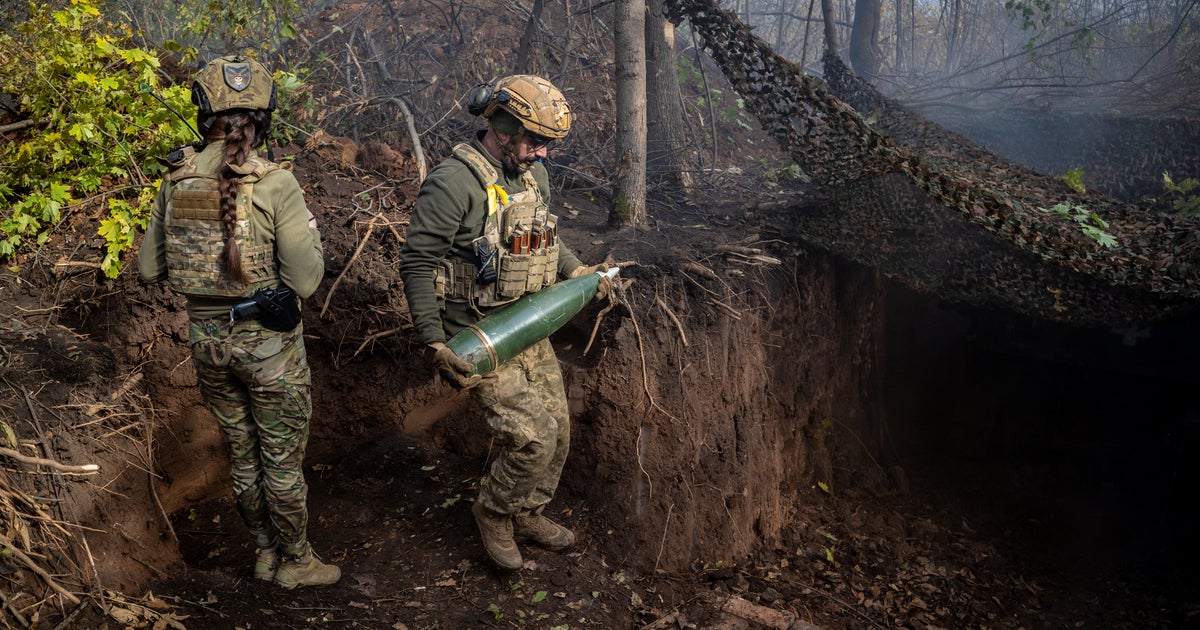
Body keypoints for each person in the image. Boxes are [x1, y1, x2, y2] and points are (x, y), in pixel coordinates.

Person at [138, 54, 339, 589]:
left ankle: (264, 553)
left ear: (204, 114)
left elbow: (150, 267)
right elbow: (304, 282)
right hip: (269, 346)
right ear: (263, 115)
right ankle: (296, 562)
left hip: (208, 345)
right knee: (281, 458)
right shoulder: (276, 183)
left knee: (243, 452)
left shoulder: (177, 177)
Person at [399, 74, 611, 570]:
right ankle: (493, 513)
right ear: (502, 126)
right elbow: (416, 262)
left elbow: (544, 234)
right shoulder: (454, 182)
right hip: (480, 336)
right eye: (535, 141)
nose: (542, 153)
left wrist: (575, 269)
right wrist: (433, 341)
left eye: (548, 144)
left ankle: (527, 512)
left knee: (557, 430)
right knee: (530, 438)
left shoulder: (533, 174)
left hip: (528, 322)